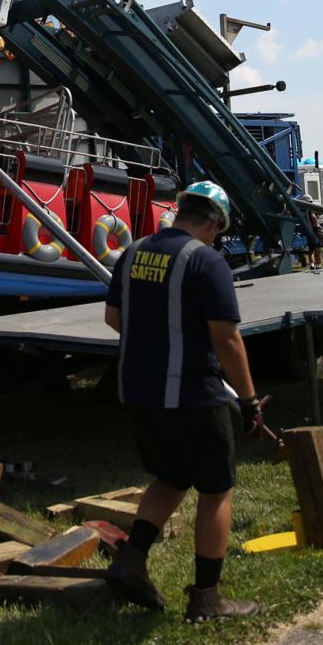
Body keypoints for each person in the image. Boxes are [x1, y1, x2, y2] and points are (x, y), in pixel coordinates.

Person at [102, 181, 265, 622]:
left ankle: (130, 561)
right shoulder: (206, 261)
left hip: (138, 391)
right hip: (192, 395)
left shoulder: (133, 252)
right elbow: (227, 339)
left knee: (170, 478)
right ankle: (207, 599)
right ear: (213, 222)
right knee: (216, 490)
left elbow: (114, 317)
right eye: (218, 230)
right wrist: (248, 399)